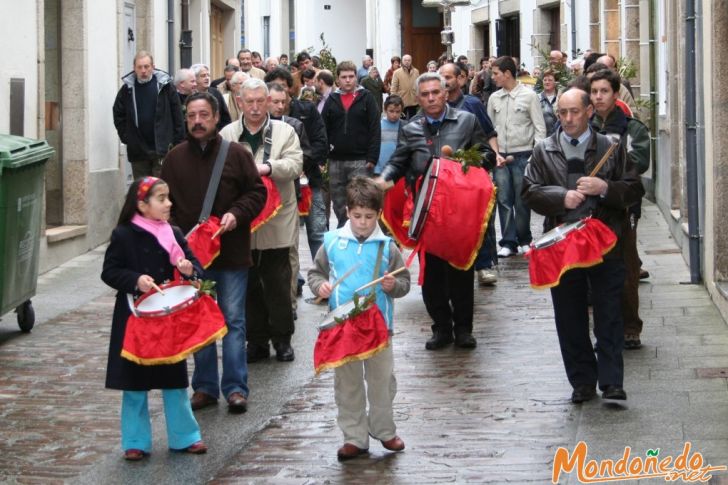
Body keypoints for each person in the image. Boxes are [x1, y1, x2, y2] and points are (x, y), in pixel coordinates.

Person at [522, 88, 644, 404]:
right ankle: (582, 382)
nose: (568, 118)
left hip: (604, 242)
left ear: (589, 111)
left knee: (609, 314)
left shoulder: (610, 148)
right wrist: (560, 197)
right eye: (562, 113)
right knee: (569, 315)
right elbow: (529, 192)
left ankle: (612, 381)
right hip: (563, 246)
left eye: (574, 111)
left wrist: (605, 188)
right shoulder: (544, 150)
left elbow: (634, 189)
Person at [161, 92, 267, 413]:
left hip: (232, 254)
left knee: (234, 321)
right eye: (192, 115)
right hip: (193, 260)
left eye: (203, 115)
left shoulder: (236, 154)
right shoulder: (174, 159)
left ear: (216, 117)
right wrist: (178, 243)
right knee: (200, 321)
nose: (197, 121)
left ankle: (235, 388)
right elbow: (165, 207)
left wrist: (237, 213)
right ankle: (205, 387)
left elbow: (257, 192)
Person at [376, 72, 493, 350]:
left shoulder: (467, 121)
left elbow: (486, 154)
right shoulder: (411, 128)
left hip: (459, 211)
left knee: (461, 272)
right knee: (432, 276)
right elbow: (399, 161)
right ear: (417, 98)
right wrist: (383, 180)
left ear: (445, 93)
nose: (431, 98)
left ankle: (463, 329)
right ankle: (441, 327)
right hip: (427, 211)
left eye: (435, 93)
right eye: (425, 94)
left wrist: (464, 161)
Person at [101, 177, 207, 461]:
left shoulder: (173, 232)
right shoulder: (123, 234)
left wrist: (187, 270)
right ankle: (135, 441)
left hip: (166, 318)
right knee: (134, 382)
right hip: (134, 318)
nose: (168, 204)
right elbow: (109, 271)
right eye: (161, 199)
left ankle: (186, 437)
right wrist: (135, 280)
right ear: (142, 204)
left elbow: (197, 269)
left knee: (174, 381)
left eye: (168, 197)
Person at [307, 176, 411, 461]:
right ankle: (354, 437)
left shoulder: (387, 248)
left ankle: (384, 429)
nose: (362, 222)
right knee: (348, 384)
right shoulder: (331, 243)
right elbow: (315, 274)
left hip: (380, 328)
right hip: (344, 328)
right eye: (356, 216)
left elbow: (404, 283)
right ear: (347, 213)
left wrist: (393, 286)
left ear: (378, 214)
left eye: (368, 216)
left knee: (382, 382)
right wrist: (321, 287)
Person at [219, 79, 303, 363]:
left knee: (278, 281)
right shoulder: (228, 134)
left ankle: (282, 339)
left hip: (278, 219)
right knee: (250, 283)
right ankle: (255, 341)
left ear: (268, 102)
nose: (254, 108)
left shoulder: (285, 132)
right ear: (239, 103)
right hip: (243, 222)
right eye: (249, 102)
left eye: (260, 101)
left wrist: (267, 167)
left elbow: (295, 164)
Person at [589, 69, 650, 350]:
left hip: (624, 206)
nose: (598, 97)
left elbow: (639, 162)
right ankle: (602, 325)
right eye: (594, 92)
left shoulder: (631, 127)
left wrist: (607, 178)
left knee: (626, 266)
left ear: (615, 95)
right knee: (592, 266)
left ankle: (630, 327)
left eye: (604, 91)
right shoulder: (584, 125)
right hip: (591, 207)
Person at [439, 62, 500, 287]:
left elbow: (489, 133)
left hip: (471, 174)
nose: (444, 80)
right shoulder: (435, 107)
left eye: (448, 76)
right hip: (446, 179)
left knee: (479, 220)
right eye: (441, 76)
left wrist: (495, 156)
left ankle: (484, 265)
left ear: (461, 79)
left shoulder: (472, 104)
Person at [487, 56, 546, 257]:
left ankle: (524, 238)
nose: (493, 77)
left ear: (507, 74)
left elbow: (540, 128)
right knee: (503, 200)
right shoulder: (494, 98)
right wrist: (494, 154)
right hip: (501, 156)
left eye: (495, 73)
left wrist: (535, 157)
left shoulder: (529, 96)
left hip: (523, 155)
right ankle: (508, 241)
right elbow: (489, 130)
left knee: (522, 200)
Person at [321, 61, 381, 228]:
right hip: (335, 160)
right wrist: (323, 155)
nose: (348, 80)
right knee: (339, 202)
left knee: (360, 200)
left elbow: (375, 128)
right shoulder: (332, 99)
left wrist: (372, 157)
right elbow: (323, 129)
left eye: (351, 76)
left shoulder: (366, 97)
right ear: (337, 80)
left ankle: (360, 232)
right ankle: (343, 231)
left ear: (356, 77)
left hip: (360, 159)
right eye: (344, 77)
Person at [113, 51, 184, 179]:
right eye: (140, 67)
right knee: (142, 190)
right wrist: (127, 137)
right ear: (134, 68)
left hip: (162, 148)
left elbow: (177, 114)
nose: (143, 70)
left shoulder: (165, 87)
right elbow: (118, 114)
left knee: (160, 188)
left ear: (153, 66)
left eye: (146, 66)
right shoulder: (127, 90)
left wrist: (176, 141)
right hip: (138, 150)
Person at [190, 63, 231, 130]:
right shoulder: (190, 95)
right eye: (203, 76)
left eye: (208, 75)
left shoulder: (216, 93)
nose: (207, 78)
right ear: (195, 78)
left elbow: (225, 117)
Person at [375, 95, 403, 175]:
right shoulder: (378, 126)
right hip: (380, 170)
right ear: (385, 110)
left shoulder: (404, 127)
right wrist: (376, 169)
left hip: (397, 170)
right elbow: (374, 148)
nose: (394, 115)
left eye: (398, 112)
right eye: (391, 111)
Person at [391, 54, 420, 119]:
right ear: (402, 61)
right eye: (405, 60)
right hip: (401, 101)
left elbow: (419, 86)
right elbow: (393, 88)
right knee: (402, 120)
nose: (407, 62)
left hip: (413, 101)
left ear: (411, 61)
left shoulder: (416, 71)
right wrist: (394, 100)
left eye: (409, 60)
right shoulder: (397, 72)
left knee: (413, 120)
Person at [539, 69, 559, 137]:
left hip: (559, 138)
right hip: (543, 138)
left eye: (550, 80)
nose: (547, 82)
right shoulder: (537, 98)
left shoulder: (560, 97)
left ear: (555, 82)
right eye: (545, 80)